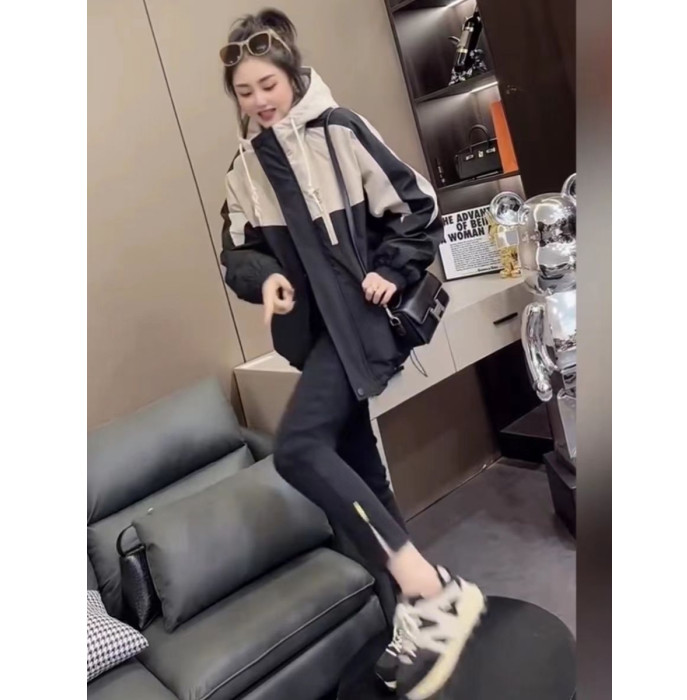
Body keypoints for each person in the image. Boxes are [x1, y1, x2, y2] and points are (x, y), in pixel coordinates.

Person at [218, 8, 486, 699]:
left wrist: (392, 268)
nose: (259, 100)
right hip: (312, 341)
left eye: (268, 84)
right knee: (362, 470)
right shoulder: (244, 169)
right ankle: (413, 623)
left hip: (361, 325)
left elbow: (416, 205)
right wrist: (264, 278)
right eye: (245, 91)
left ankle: (433, 590)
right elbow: (235, 253)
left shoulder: (340, 131)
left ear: (291, 76)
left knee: (298, 450)